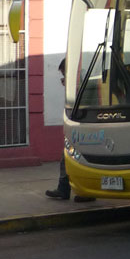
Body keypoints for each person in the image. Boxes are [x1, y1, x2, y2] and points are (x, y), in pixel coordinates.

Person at [45, 58, 94, 202]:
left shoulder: (81, 81)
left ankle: (75, 191)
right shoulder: (82, 78)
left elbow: (81, 101)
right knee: (71, 159)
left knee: (76, 160)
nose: (64, 78)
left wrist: (69, 85)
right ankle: (75, 190)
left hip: (83, 126)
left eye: (64, 74)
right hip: (79, 126)